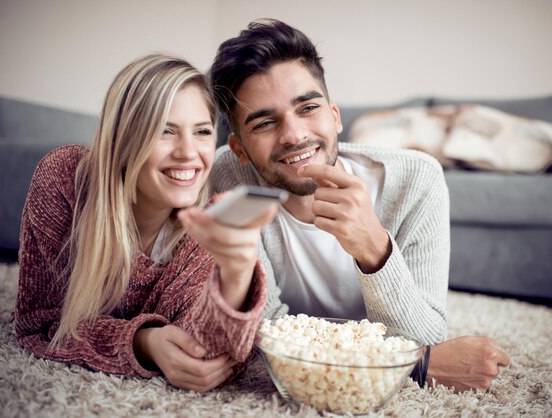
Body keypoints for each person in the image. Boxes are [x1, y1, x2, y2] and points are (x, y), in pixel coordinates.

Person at [208, 19, 510, 392]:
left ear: (335, 117)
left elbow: (427, 332)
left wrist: (374, 248)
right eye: (265, 123)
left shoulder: (417, 180)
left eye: (308, 108)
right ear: (238, 149)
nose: (294, 135)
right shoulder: (227, 176)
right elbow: (258, 332)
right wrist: (418, 363)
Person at [15, 54, 277, 393]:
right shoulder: (66, 180)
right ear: (124, 139)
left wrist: (236, 274)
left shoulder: (205, 229)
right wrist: (143, 342)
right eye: (164, 131)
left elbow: (212, 354)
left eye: (201, 132)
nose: (188, 152)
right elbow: (39, 322)